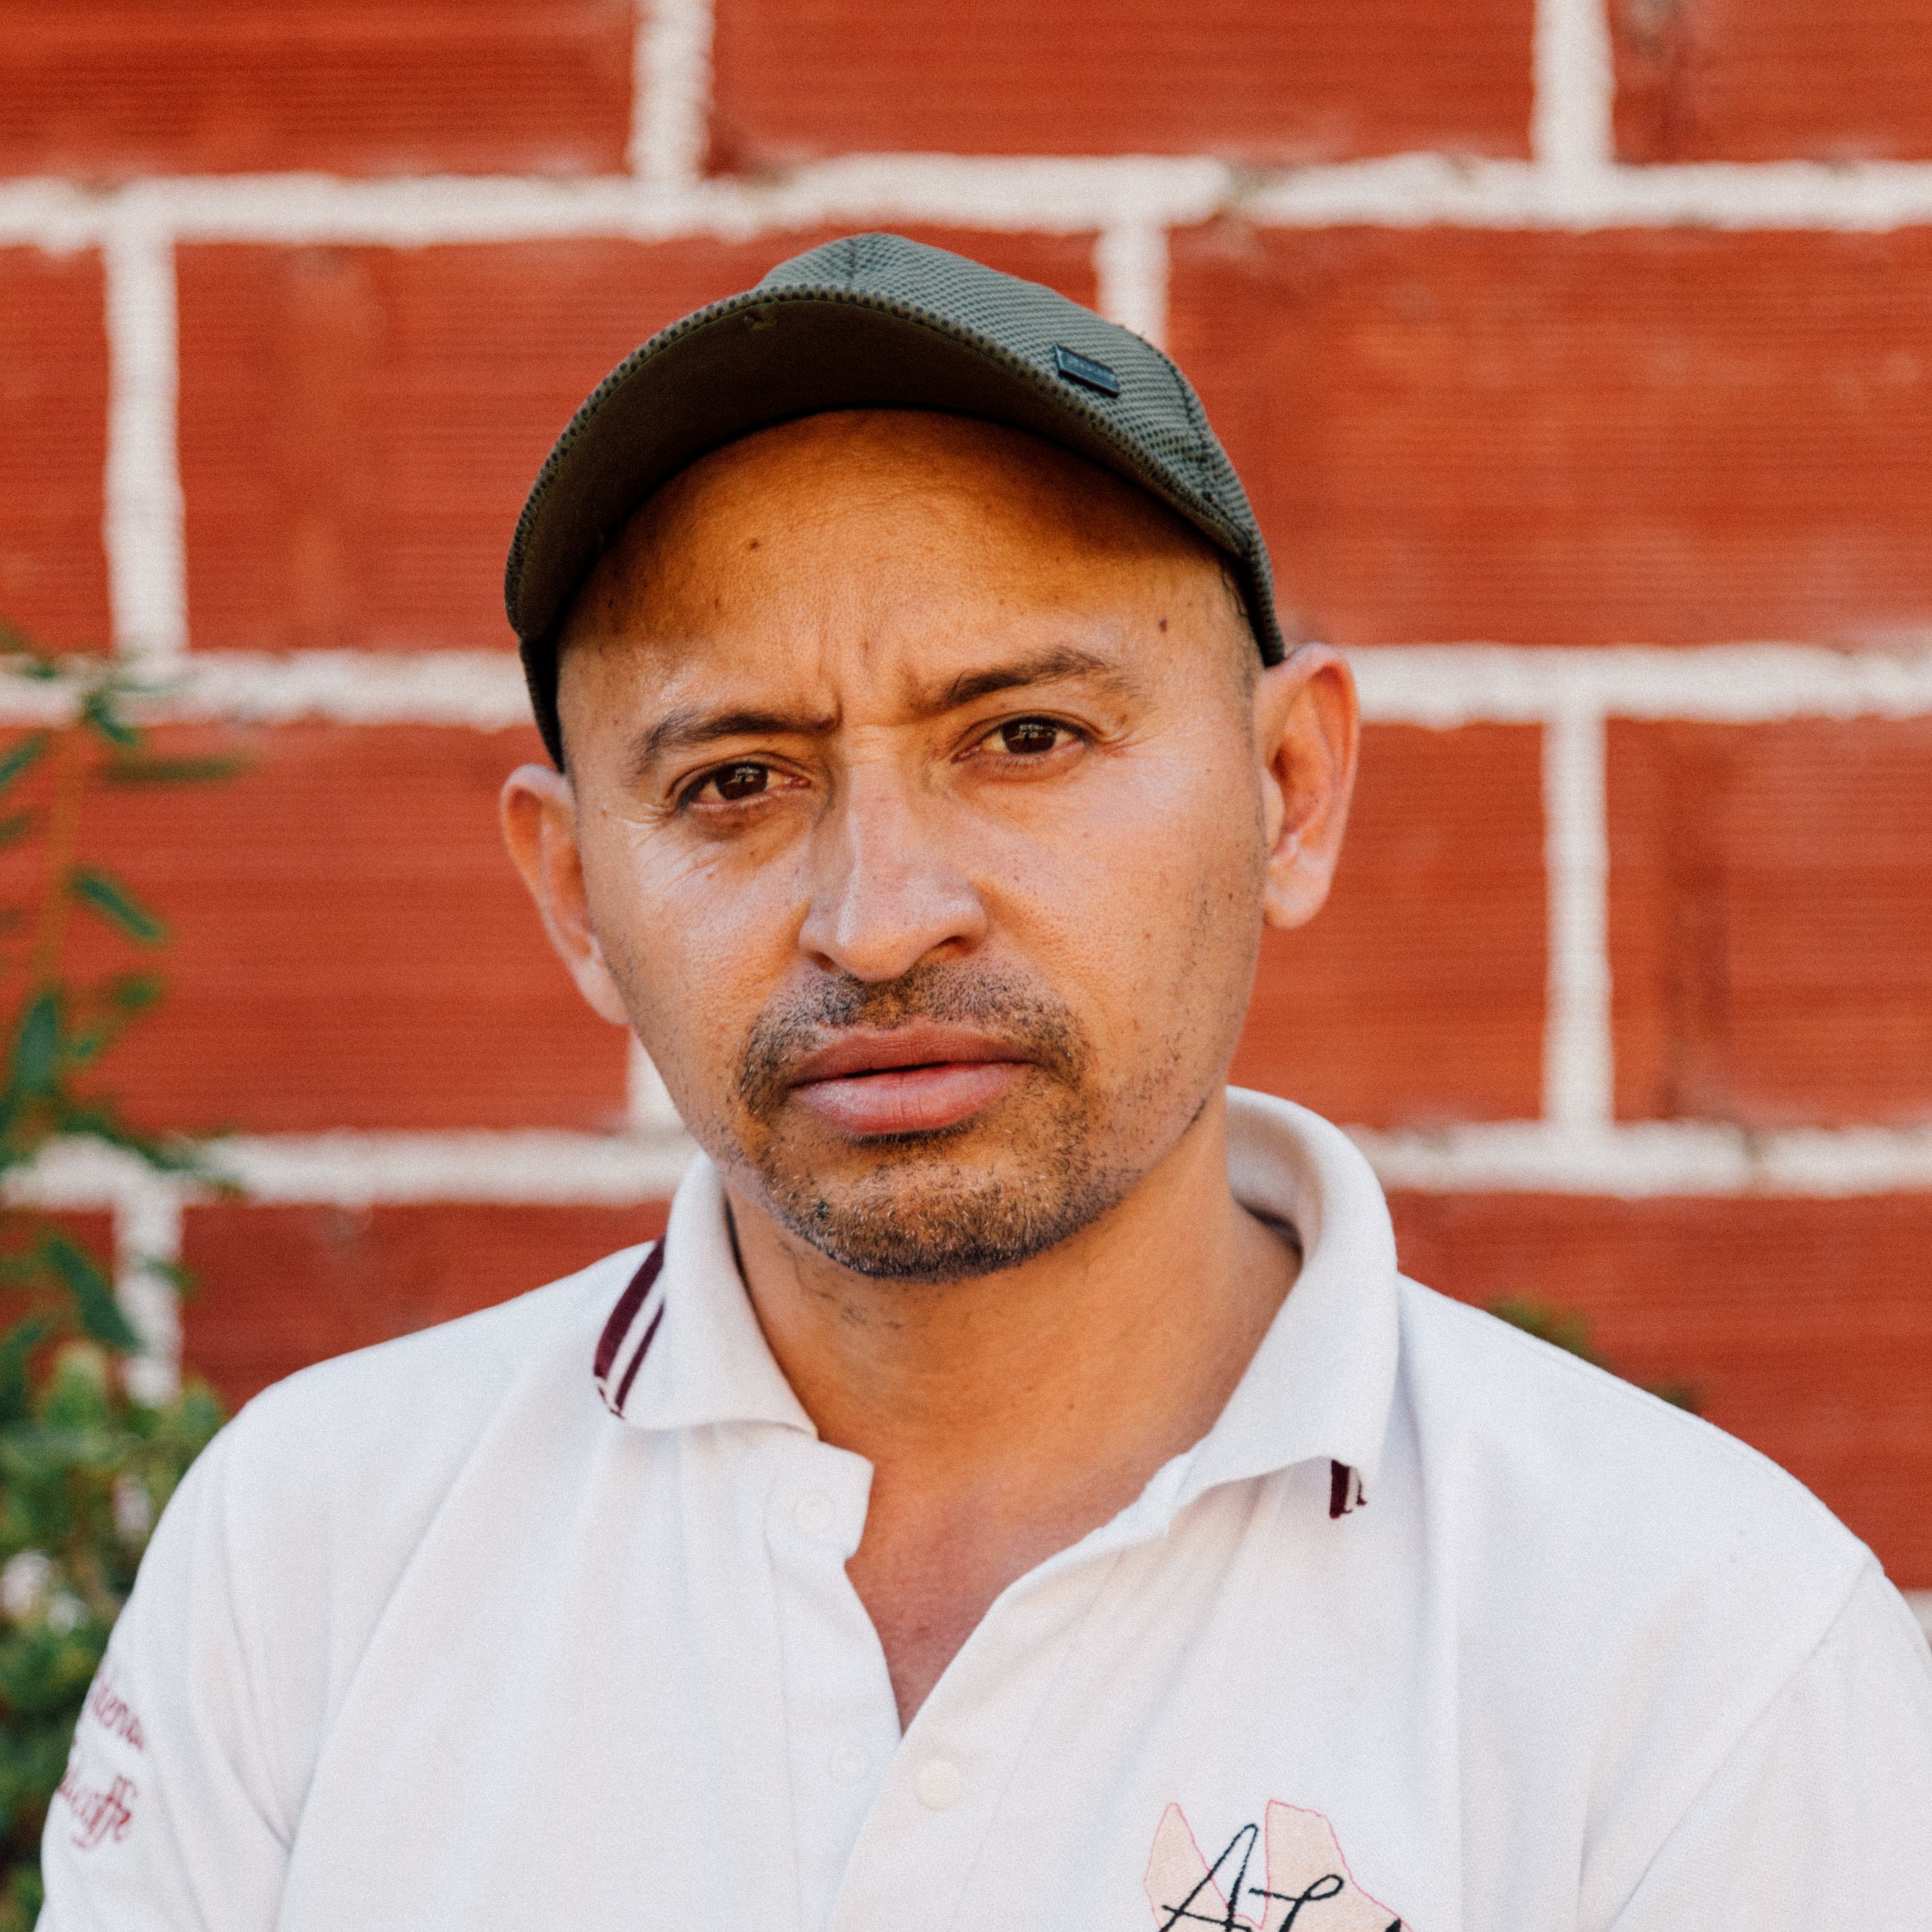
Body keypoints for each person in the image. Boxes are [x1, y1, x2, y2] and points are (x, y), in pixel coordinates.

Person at [41, 234, 1932, 1931]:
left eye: (1026, 737)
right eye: (734, 781)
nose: (879, 921)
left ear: (1289, 792)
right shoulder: (313, 1551)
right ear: (573, 895)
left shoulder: (1690, 1646)